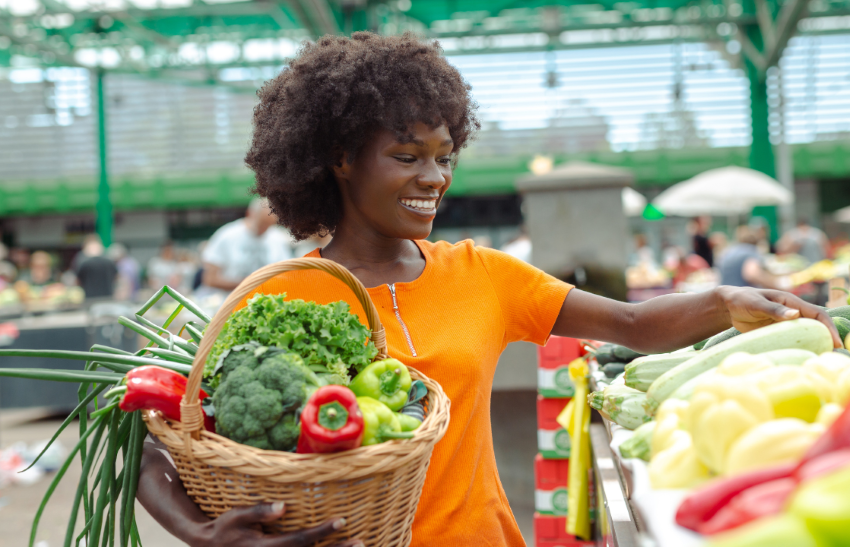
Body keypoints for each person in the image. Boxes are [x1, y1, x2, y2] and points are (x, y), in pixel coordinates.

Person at [137, 33, 840, 547]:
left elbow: (632, 321)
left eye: (444, 157)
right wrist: (199, 531)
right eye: (406, 156)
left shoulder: (480, 273)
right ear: (341, 158)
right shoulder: (282, 298)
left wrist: (725, 301)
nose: (434, 178)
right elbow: (146, 434)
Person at [200, 198, 292, 292]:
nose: (265, 229)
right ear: (249, 214)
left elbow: (286, 274)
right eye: (262, 224)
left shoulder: (277, 238)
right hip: (231, 302)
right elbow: (210, 279)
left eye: (269, 225)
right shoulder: (227, 236)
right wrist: (249, 284)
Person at [719, 226, 789, 289]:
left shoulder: (728, 252)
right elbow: (752, 275)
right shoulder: (751, 252)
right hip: (742, 297)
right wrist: (777, 285)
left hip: (725, 295)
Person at [74, 235, 117, 299]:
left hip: (89, 298)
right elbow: (116, 277)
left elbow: (77, 281)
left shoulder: (81, 260)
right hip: (108, 297)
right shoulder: (109, 259)